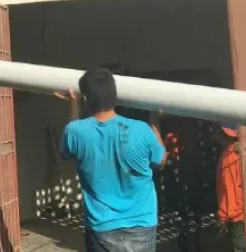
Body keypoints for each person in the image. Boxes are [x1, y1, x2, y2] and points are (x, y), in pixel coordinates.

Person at [56, 68, 167, 252]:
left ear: (85, 99)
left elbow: (67, 150)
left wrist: (73, 105)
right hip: (141, 225)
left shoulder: (76, 132)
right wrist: (154, 122)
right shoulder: (141, 130)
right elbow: (161, 161)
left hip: (102, 229)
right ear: (115, 97)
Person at [215, 124, 245, 252]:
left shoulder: (228, 158)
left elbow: (228, 193)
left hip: (239, 218)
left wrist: (222, 219)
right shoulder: (244, 151)